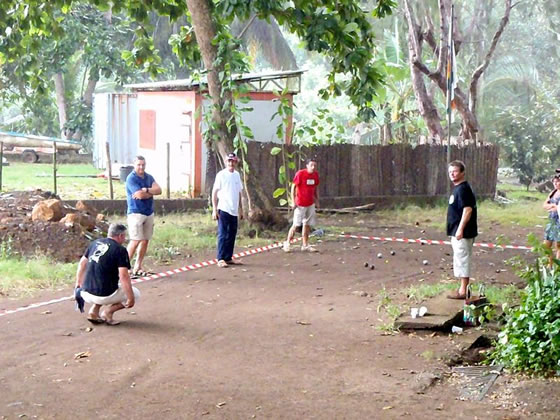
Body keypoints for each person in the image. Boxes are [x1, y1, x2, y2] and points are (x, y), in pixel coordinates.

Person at [75, 223, 140, 325]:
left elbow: (82, 264)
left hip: (85, 292)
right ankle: (108, 312)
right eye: (124, 236)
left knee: (103, 281)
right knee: (135, 293)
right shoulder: (120, 250)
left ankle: (93, 312)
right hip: (104, 295)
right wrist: (130, 298)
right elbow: (123, 276)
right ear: (120, 236)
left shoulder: (95, 243)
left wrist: (78, 283)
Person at [446, 160, 477, 300]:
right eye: (450, 171)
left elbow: (468, 210)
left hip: (463, 233)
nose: (452, 174)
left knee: (463, 259)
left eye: (455, 171)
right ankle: (462, 288)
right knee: (459, 258)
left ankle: (463, 290)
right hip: (457, 231)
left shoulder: (463, 189)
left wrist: (460, 229)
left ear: (462, 173)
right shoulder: (458, 188)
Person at [125, 156, 161, 276]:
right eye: (139, 165)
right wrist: (150, 192)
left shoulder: (149, 177)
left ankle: (138, 266)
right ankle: (124, 267)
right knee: (135, 240)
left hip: (148, 212)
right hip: (136, 213)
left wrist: (146, 190)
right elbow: (139, 195)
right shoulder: (131, 178)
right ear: (134, 165)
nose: (141, 167)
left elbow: (159, 190)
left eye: (143, 165)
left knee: (145, 240)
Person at [212, 152, 244, 268]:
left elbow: (240, 192)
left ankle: (228, 257)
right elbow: (214, 192)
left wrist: (240, 209)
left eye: (233, 161)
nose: (231, 163)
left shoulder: (237, 175)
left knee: (232, 233)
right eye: (229, 161)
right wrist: (214, 209)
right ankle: (220, 258)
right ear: (226, 162)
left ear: (236, 162)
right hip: (224, 208)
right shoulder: (221, 175)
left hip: (234, 210)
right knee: (222, 233)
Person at [283, 158, 320, 253]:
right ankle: (287, 243)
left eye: (315, 165)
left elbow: (315, 188)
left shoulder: (315, 175)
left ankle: (305, 244)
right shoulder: (300, 174)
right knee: (296, 224)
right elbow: (293, 187)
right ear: (307, 166)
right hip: (300, 204)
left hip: (310, 203)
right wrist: (293, 201)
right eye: (311, 165)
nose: (313, 167)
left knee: (307, 224)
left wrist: (317, 200)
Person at [543, 174, 560, 266]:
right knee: (546, 244)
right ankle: (550, 264)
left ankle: (557, 268)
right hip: (552, 220)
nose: (556, 183)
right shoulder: (553, 193)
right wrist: (553, 206)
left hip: (559, 221)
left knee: (558, 245)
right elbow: (545, 205)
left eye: (558, 181)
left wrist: (556, 208)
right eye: (555, 182)